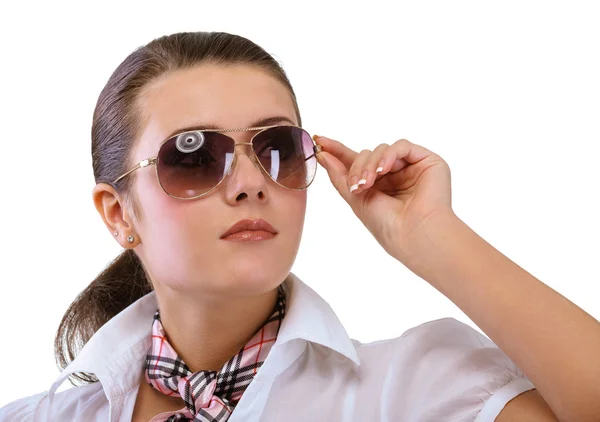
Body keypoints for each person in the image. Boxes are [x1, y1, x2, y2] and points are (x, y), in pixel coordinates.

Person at [1, 31, 598, 422]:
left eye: (276, 147)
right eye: (194, 154)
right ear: (118, 212)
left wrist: (430, 235)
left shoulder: (415, 390)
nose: (250, 182)